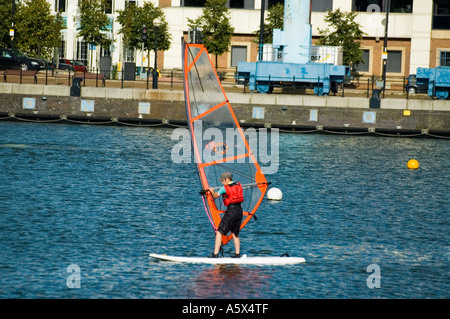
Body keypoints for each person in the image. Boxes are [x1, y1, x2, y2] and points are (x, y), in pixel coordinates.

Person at [208, 172, 244, 258]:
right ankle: (237, 254)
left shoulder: (224, 188)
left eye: (222, 180)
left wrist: (211, 191)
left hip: (231, 211)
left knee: (219, 232)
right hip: (239, 211)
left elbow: (215, 196)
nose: (222, 182)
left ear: (227, 179)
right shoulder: (239, 185)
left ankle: (215, 254)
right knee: (235, 233)